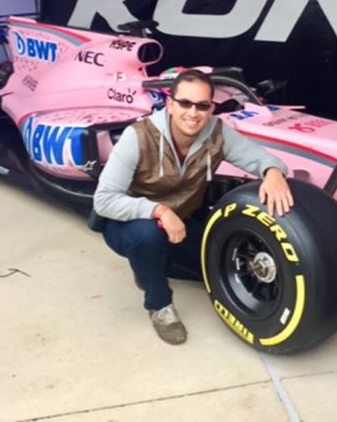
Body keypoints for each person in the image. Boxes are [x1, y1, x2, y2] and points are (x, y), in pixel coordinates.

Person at [93, 69, 294, 345]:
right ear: (170, 103)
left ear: (211, 107)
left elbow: (261, 159)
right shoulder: (137, 136)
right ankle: (158, 304)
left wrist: (273, 172)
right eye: (185, 103)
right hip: (130, 223)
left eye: (202, 105)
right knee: (148, 237)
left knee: (216, 268)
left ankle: (149, 266)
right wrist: (160, 211)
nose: (193, 112)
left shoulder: (218, 132)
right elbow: (104, 200)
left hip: (185, 219)